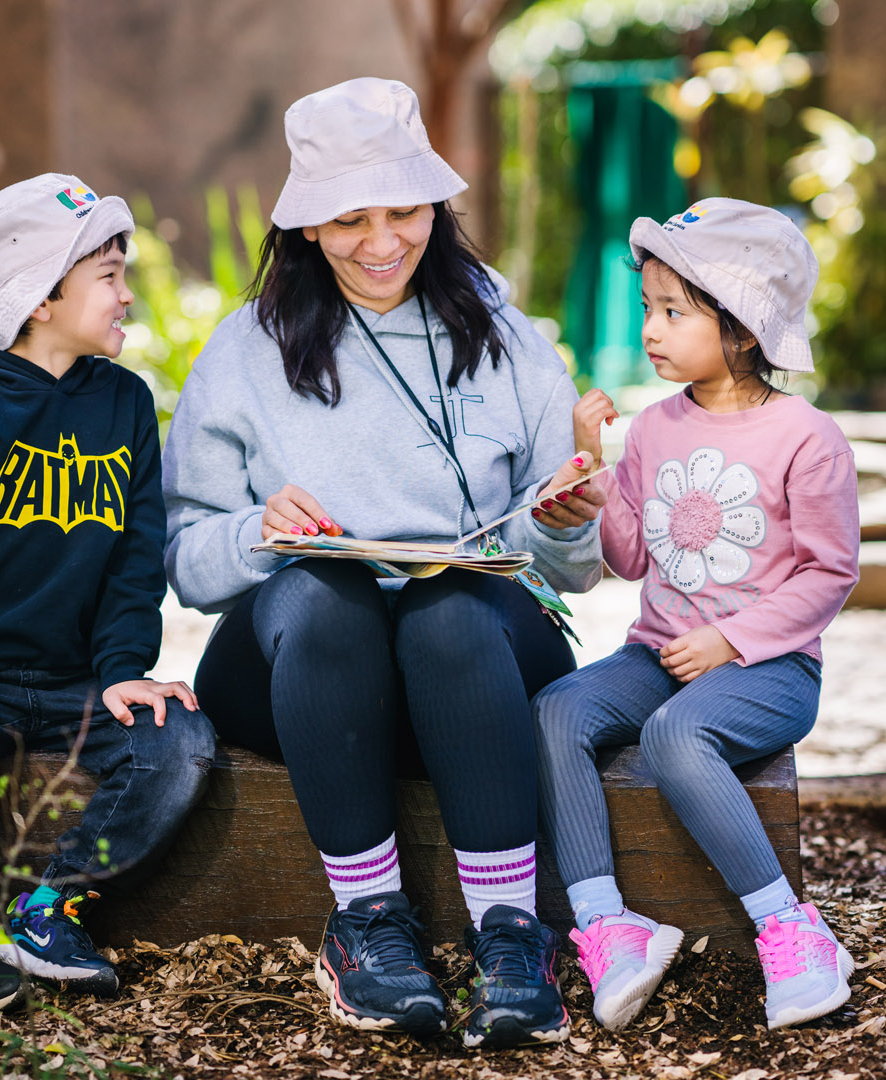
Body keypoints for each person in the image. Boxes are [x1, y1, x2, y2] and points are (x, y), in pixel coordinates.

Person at [162, 78, 603, 1048]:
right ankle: (367, 924)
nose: (381, 240)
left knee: (446, 609)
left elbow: (570, 570)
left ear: (436, 209)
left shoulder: (506, 339)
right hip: (310, 686)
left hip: (471, 680)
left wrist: (567, 517)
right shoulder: (246, 352)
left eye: (403, 210)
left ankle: (509, 935)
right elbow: (189, 565)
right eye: (348, 217)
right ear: (305, 228)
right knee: (332, 594)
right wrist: (257, 530)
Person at [0, 173, 215, 1018]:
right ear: (41, 296)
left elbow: (137, 553)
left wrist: (127, 666)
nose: (129, 293)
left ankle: (49, 910)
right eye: (109, 276)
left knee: (184, 743)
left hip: (77, 682)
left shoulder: (125, 403)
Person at [534, 198, 860, 1033]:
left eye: (675, 311)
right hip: (661, 653)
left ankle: (792, 932)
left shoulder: (806, 436)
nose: (652, 327)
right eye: (649, 307)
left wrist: (732, 639)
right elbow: (631, 559)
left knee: (678, 733)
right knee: (559, 710)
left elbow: (831, 572)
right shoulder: (652, 430)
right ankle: (609, 925)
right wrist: (593, 477)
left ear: (744, 328)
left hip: (773, 667)